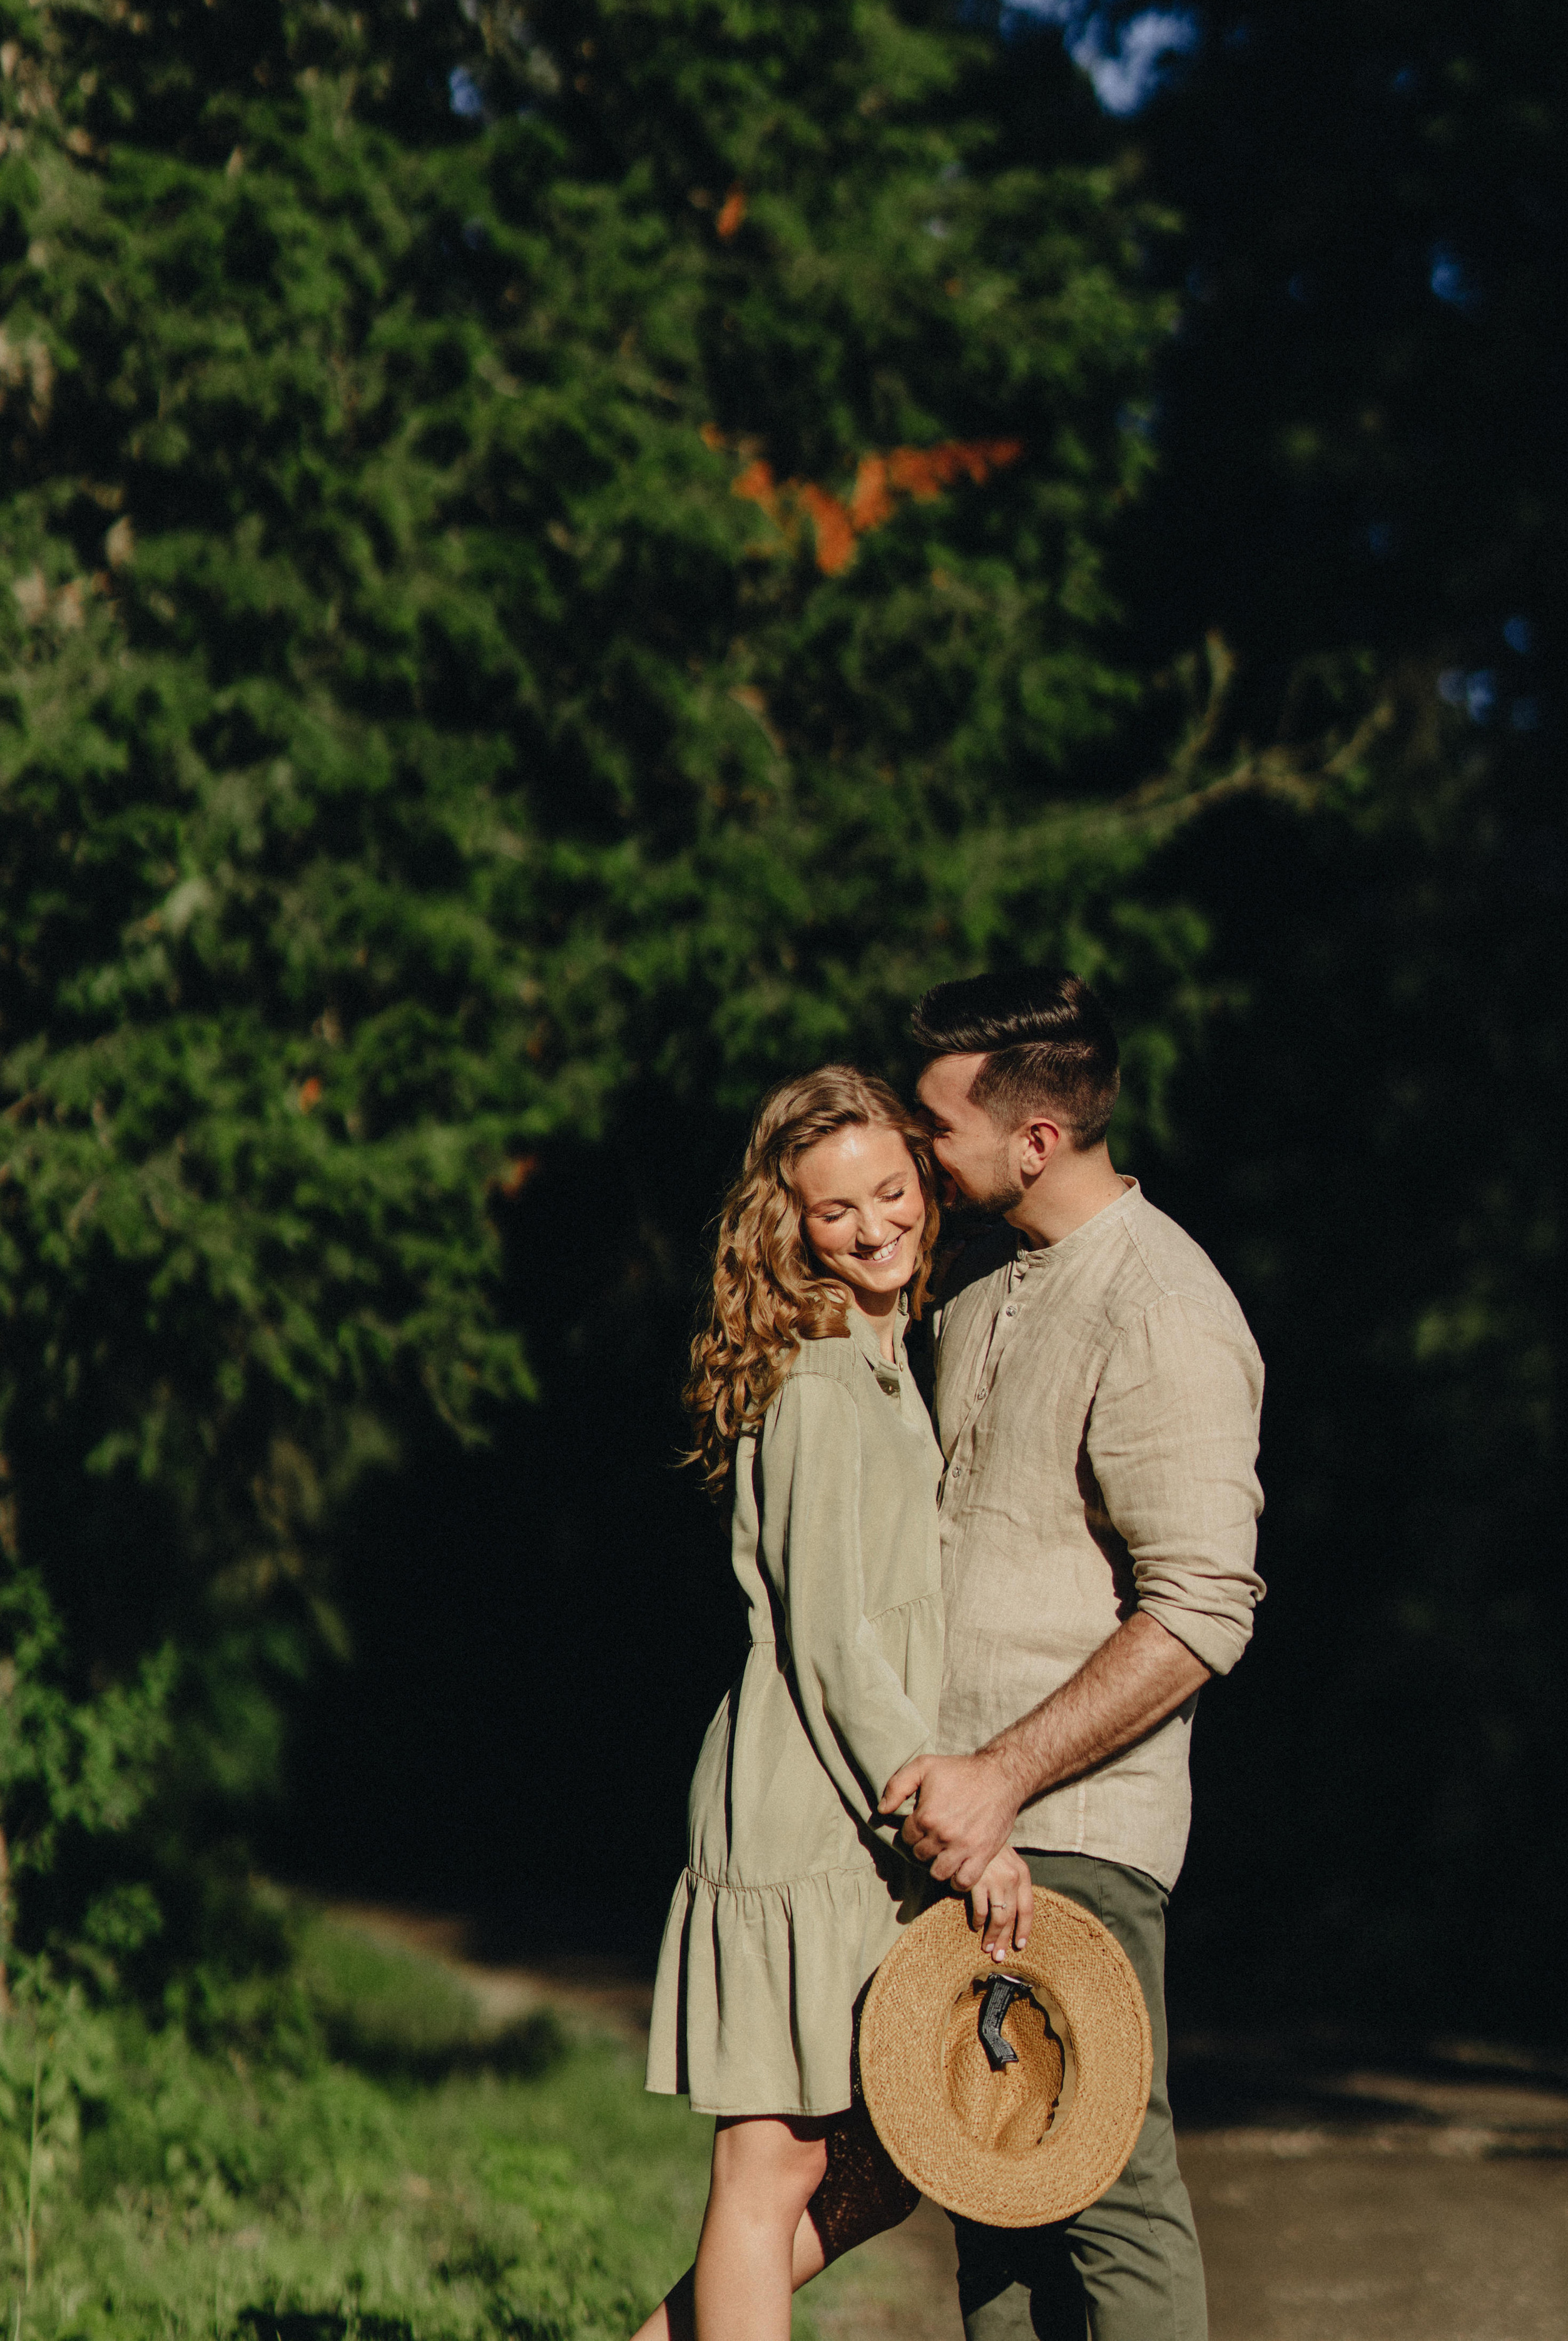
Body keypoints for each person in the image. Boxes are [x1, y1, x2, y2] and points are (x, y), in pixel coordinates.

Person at [881, 970, 1265, 2341]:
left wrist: (999, 1773)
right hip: (960, 1834)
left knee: (1104, 2191)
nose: (913, 1147)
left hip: (1074, 1831)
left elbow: (1202, 1608)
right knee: (991, 2191)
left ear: (1033, 1139)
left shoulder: (1162, 1304)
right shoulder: (984, 1296)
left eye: (935, 1125)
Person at [635, 1064, 1034, 2341]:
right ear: (786, 1225)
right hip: (800, 1803)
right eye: (832, 1210)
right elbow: (828, 1642)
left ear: (924, 1181)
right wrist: (945, 1809)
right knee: (772, 2169)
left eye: (889, 1190)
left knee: (877, 2169)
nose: (872, 1227)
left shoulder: (880, 1362)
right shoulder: (814, 1380)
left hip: (853, 1816)